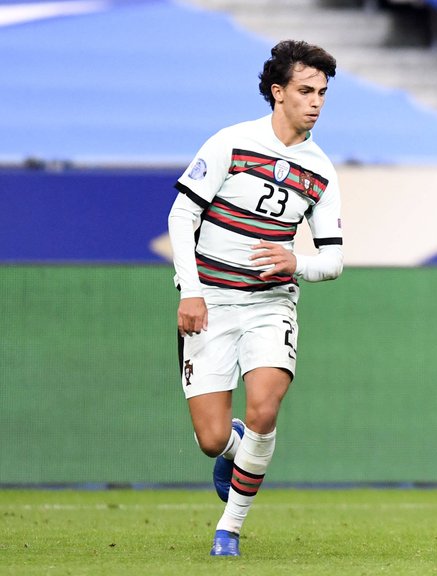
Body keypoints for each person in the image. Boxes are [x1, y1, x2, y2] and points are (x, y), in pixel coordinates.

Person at [168, 40, 344, 557]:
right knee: (210, 439)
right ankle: (237, 445)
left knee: (266, 408)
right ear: (277, 93)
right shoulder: (231, 142)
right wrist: (192, 293)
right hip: (211, 303)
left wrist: (297, 263)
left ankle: (229, 529)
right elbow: (182, 217)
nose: (316, 102)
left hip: (271, 305)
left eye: (323, 93)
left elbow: (333, 260)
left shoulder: (321, 170)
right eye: (305, 91)